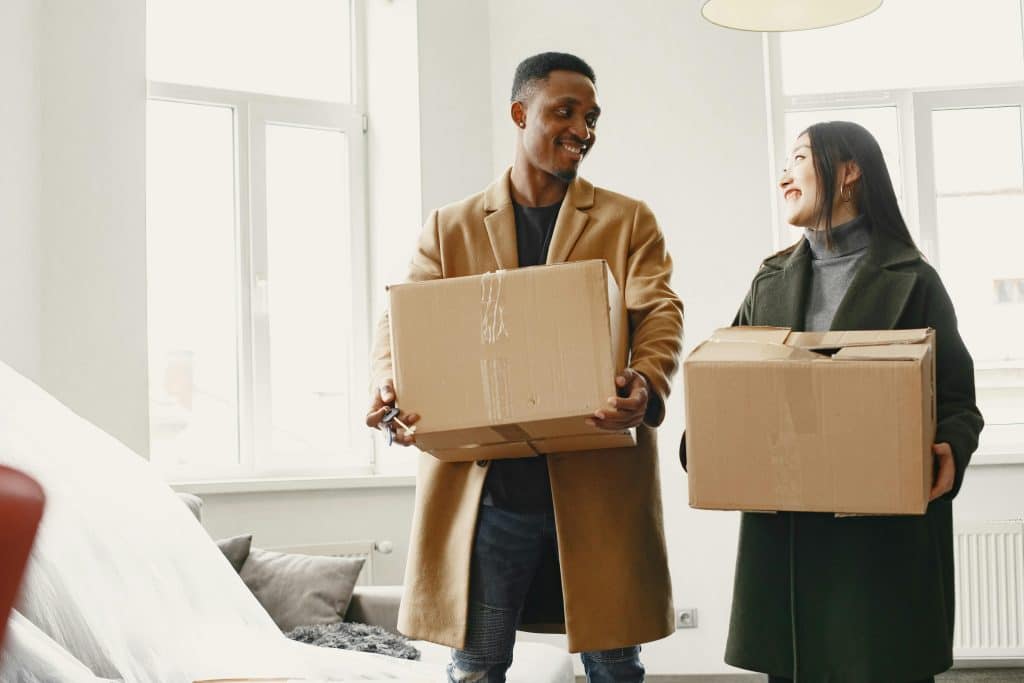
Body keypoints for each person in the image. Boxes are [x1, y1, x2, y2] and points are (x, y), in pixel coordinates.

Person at [366, 52, 683, 683]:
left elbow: (660, 311)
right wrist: (387, 383)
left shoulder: (627, 219)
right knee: (478, 666)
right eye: (564, 111)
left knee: (615, 669)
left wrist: (645, 381)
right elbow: (403, 321)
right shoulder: (449, 225)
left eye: (591, 117)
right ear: (520, 113)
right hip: (488, 493)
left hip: (596, 477)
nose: (582, 130)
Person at [707, 121, 984, 682]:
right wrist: (712, 444)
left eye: (800, 157)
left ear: (849, 172)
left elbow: (959, 400)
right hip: (790, 534)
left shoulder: (914, 279)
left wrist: (951, 447)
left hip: (877, 541)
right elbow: (729, 381)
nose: (785, 173)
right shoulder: (769, 281)